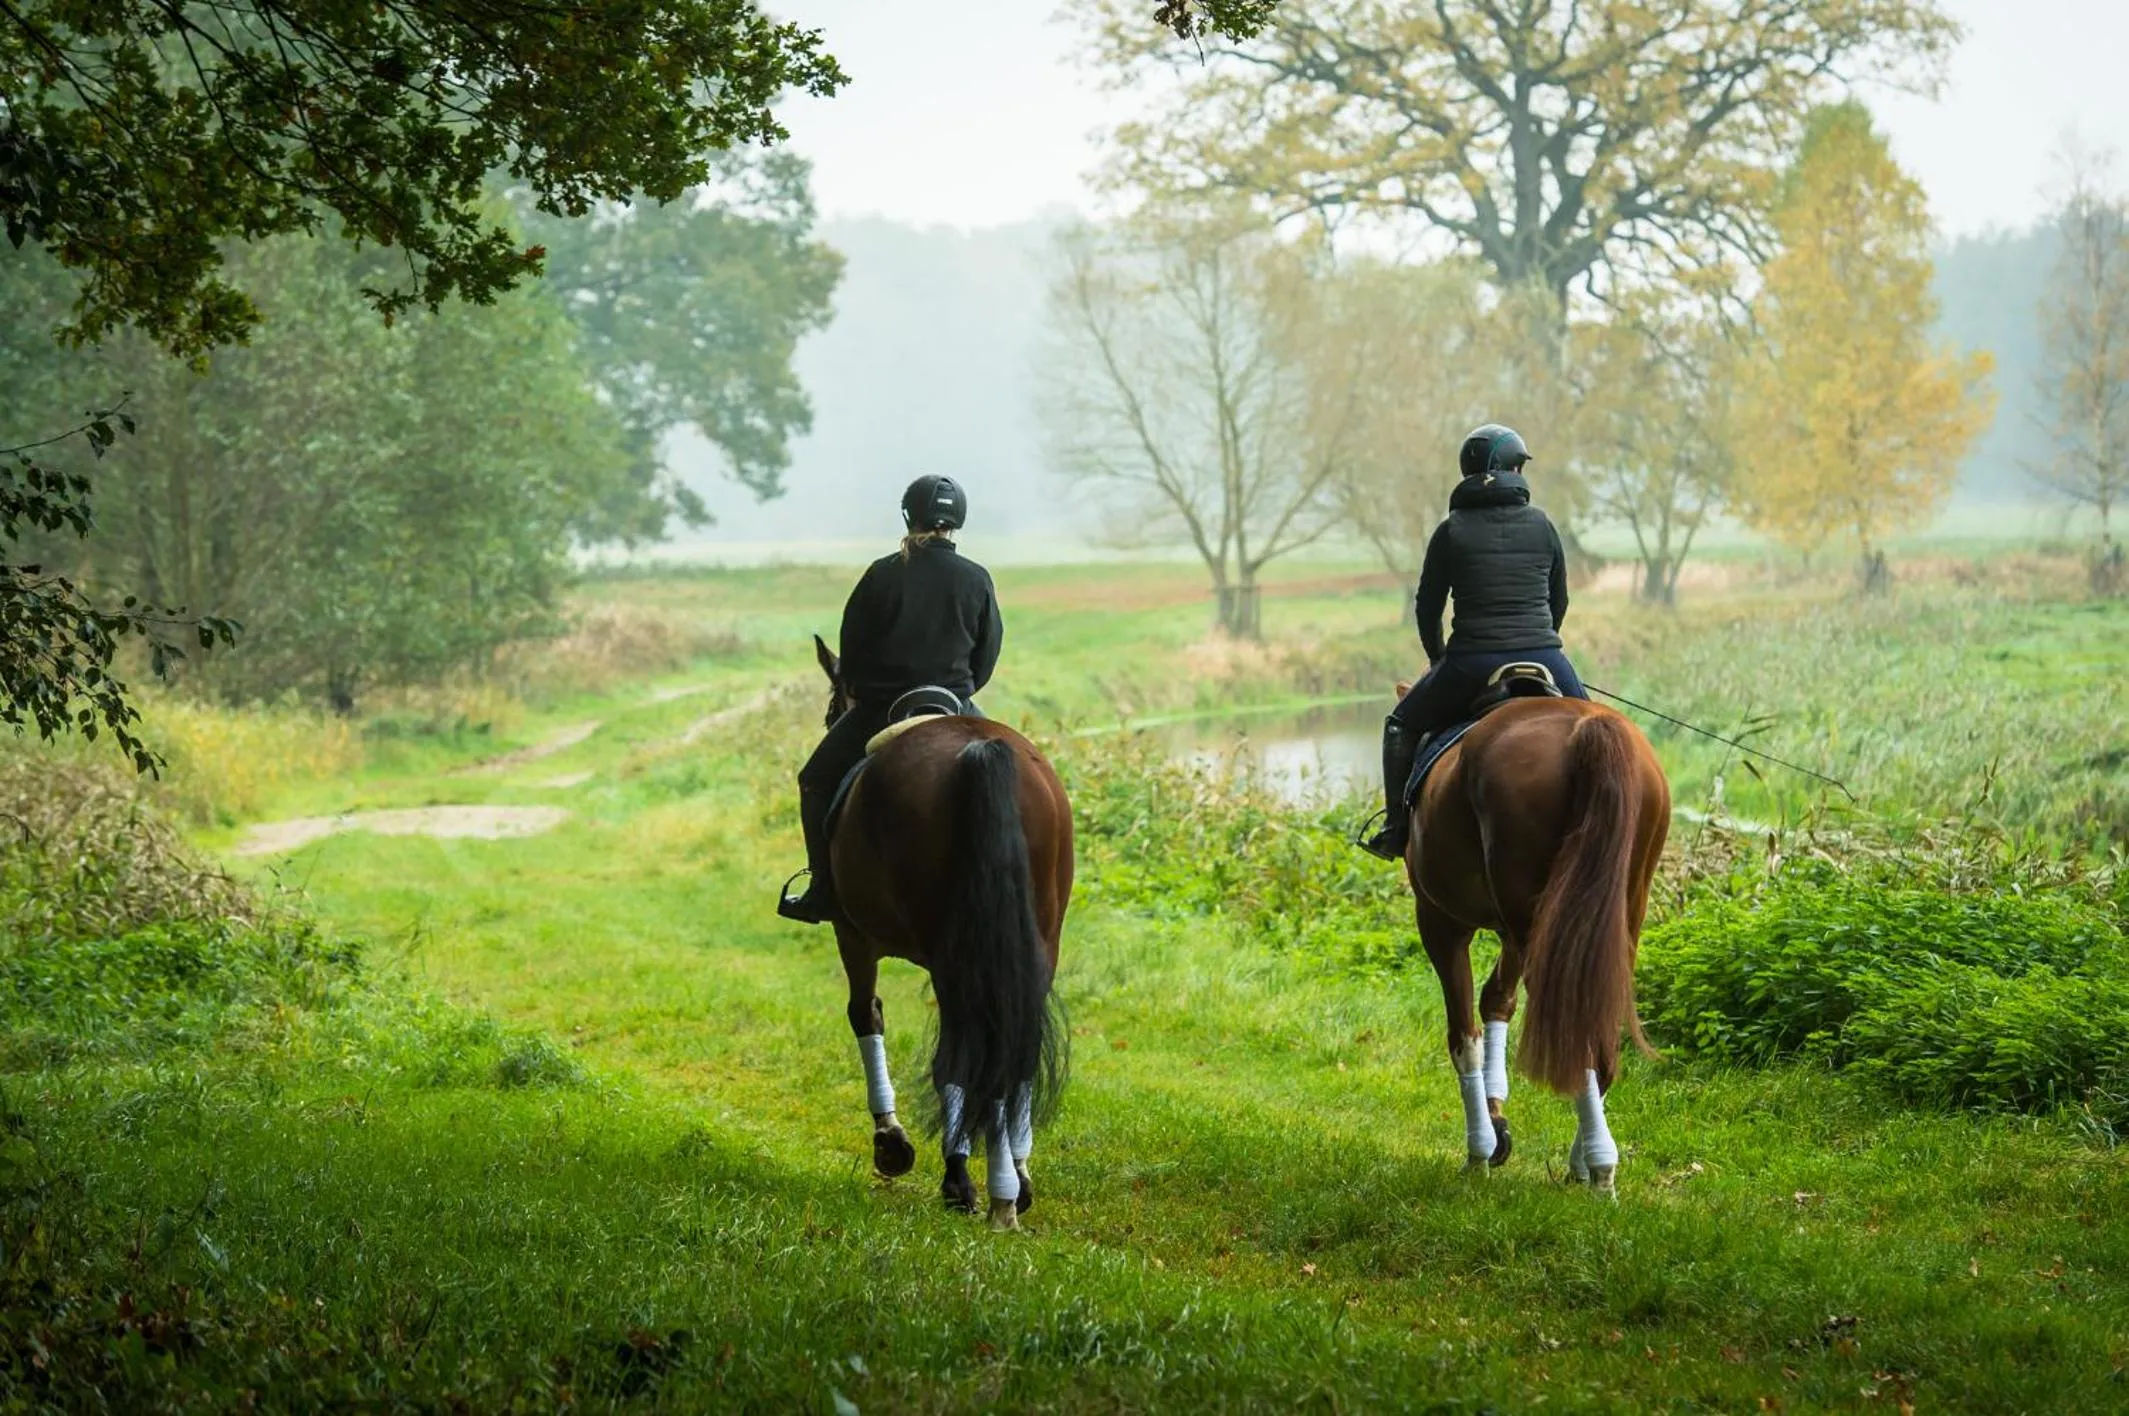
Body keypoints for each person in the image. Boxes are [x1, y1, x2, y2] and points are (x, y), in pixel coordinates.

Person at [777, 475, 1004, 923]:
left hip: (883, 708)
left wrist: (862, 689)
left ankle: (822, 888)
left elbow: (853, 653)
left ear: (909, 515)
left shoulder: (882, 574)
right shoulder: (977, 578)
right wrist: (961, 691)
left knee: (815, 780)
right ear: (957, 521)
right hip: (955, 706)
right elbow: (987, 653)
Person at [1359, 423, 1588, 861]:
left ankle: (1395, 829)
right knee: (1599, 728)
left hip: (1470, 662)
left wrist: (1438, 659)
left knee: (1400, 726)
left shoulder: (1452, 530)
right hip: (1545, 655)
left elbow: (1427, 608)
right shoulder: (1543, 525)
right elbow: (1560, 599)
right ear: (1513, 469)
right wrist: (1541, 639)